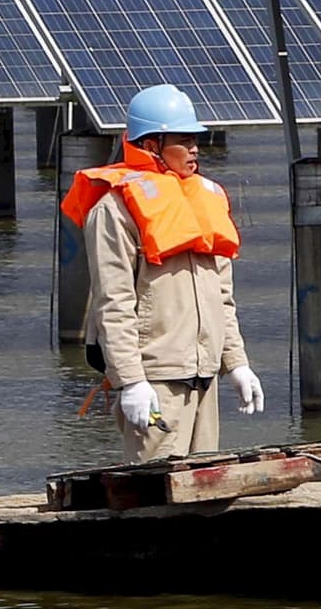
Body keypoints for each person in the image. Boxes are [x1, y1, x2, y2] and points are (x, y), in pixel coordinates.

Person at [64, 83, 261, 459]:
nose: (195, 149)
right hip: (156, 380)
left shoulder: (207, 199)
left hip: (205, 378)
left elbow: (223, 296)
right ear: (151, 144)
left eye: (196, 140)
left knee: (203, 492)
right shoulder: (114, 209)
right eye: (183, 140)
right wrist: (131, 381)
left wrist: (236, 363)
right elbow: (114, 302)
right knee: (154, 498)